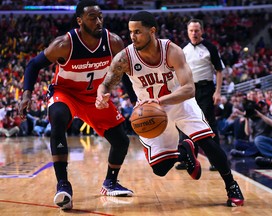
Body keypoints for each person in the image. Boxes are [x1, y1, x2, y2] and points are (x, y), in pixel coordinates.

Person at [96, 11, 244, 207]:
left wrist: (160, 100)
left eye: (138, 32)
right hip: (150, 112)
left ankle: (231, 185)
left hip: (178, 102)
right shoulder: (125, 57)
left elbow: (190, 88)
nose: (132, 36)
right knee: (160, 169)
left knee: (207, 142)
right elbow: (106, 83)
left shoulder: (171, 50)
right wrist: (101, 95)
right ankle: (185, 150)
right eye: (131, 32)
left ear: (152, 31)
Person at [18, 0, 133, 210]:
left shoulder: (113, 42)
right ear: (80, 21)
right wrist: (26, 94)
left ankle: (110, 182)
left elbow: (124, 71)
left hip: (94, 97)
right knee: (59, 118)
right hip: (66, 93)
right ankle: (63, 184)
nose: (98, 21)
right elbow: (33, 64)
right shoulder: (64, 44)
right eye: (92, 18)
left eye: (100, 17)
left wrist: (137, 102)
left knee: (122, 140)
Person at [181, 18, 225, 171]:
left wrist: (218, 91)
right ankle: (187, 159)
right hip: (188, 89)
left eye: (197, 30)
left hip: (206, 89)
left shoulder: (210, 47)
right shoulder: (183, 49)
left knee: (208, 124)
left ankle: (216, 160)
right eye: (191, 30)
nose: (194, 33)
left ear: (202, 31)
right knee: (185, 123)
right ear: (187, 32)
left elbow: (219, 70)